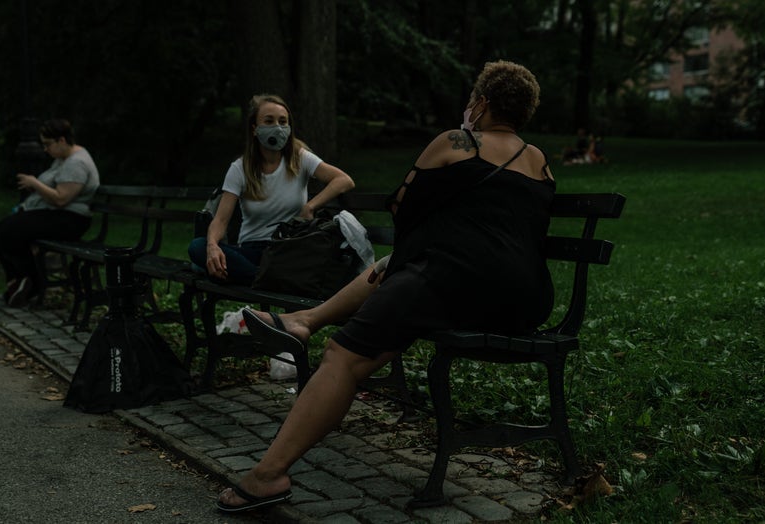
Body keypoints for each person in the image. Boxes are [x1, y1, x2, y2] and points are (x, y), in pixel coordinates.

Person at [216, 60, 556, 513]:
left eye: (472, 101)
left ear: (482, 103)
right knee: (398, 270)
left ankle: (268, 474)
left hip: (454, 284)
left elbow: (403, 207)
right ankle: (304, 320)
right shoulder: (540, 161)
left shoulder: (458, 141)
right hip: (525, 300)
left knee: (343, 357)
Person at [188, 94, 355, 285]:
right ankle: (270, 280)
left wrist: (309, 207)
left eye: (283, 121)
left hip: (288, 249)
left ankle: (259, 278)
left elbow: (344, 180)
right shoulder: (239, 168)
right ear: (254, 128)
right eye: (269, 120)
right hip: (252, 250)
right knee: (197, 247)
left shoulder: (300, 158)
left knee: (217, 267)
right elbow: (221, 220)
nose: (277, 127)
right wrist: (212, 247)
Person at [0, 119, 100, 307]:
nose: (45, 149)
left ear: (62, 141)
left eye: (48, 144)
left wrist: (34, 184)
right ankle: (17, 281)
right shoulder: (62, 160)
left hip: (70, 220)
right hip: (55, 214)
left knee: (11, 232)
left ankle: (32, 281)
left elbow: (61, 199)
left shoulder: (77, 163)